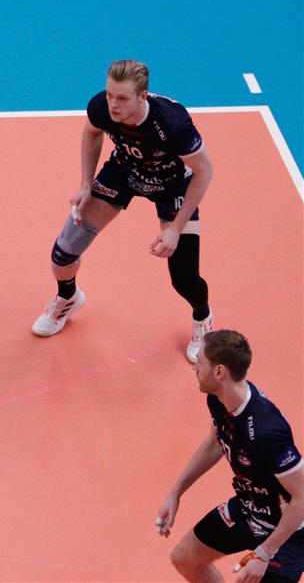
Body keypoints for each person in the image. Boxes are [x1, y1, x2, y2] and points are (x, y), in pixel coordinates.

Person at [32, 59, 215, 362]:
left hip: (173, 187)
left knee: (184, 278)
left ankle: (203, 318)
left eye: (122, 98)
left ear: (142, 96)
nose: (113, 105)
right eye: (109, 95)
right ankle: (68, 298)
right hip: (124, 172)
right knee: (63, 253)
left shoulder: (172, 123)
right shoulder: (102, 108)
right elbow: (91, 132)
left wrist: (175, 228)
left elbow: (204, 171)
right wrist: (86, 184)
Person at [156, 329, 304, 582]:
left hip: (289, 532)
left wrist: (264, 553)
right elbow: (215, 442)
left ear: (219, 372)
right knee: (185, 558)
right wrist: (176, 491)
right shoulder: (218, 399)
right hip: (251, 508)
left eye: (200, 362)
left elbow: (303, 495)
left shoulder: (267, 430)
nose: (194, 367)